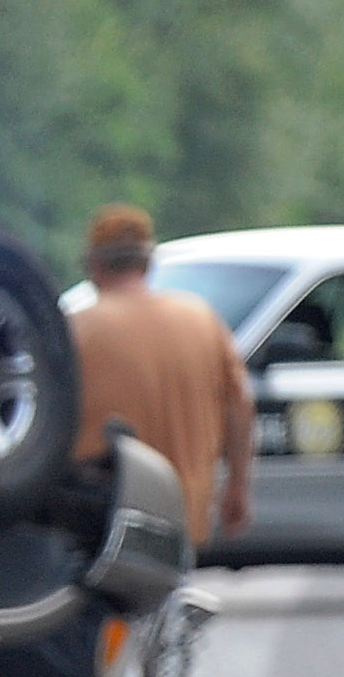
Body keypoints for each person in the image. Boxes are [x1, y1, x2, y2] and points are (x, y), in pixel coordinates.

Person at [69, 202, 255, 547]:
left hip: (103, 519)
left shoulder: (77, 329)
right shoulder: (201, 320)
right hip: (184, 515)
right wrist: (237, 487)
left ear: (93, 264)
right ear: (148, 262)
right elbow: (240, 403)